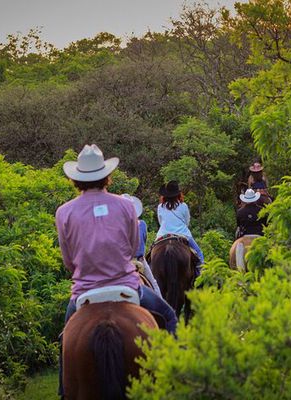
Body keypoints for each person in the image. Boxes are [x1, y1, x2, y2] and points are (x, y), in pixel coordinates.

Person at [55, 144, 177, 396]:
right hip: (128, 287)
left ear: (76, 179)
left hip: (84, 293)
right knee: (169, 315)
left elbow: (68, 261)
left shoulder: (64, 212)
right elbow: (134, 247)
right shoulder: (125, 206)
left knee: (65, 339)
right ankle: (176, 377)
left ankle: (63, 391)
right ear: (106, 175)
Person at [155, 181, 204, 275]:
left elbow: (161, 222)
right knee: (199, 254)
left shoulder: (160, 207)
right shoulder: (183, 206)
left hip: (163, 235)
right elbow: (187, 221)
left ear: (164, 195)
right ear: (178, 194)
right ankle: (200, 275)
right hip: (183, 234)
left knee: (150, 255)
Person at [121, 193, 162, 296]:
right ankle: (162, 307)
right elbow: (143, 241)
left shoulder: (117, 226)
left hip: (122, 262)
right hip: (140, 260)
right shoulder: (142, 224)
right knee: (154, 284)